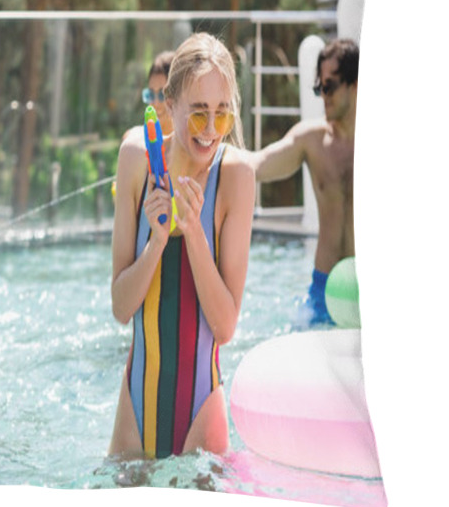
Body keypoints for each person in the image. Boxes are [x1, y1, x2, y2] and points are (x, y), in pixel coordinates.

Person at [109, 33, 255, 460]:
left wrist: (193, 231)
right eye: (197, 115)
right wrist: (156, 242)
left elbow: (225, 328)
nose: (210, 131)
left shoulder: (236, 177)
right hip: (134, 414)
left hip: (201, 419)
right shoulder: (136, 157)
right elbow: (121, 308)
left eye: (222, 115)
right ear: (169, 105)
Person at [246, 38, 358, 324]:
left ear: (355, 85)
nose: (323, 96)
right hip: (323, 290)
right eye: (319, 88)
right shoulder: (312, 141)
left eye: (329, 86)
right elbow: (256, 165)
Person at [123, 50, 176, 144]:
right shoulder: (133, 140)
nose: (155, 103)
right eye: (151, 95)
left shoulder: (187, 148)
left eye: (162, 95)